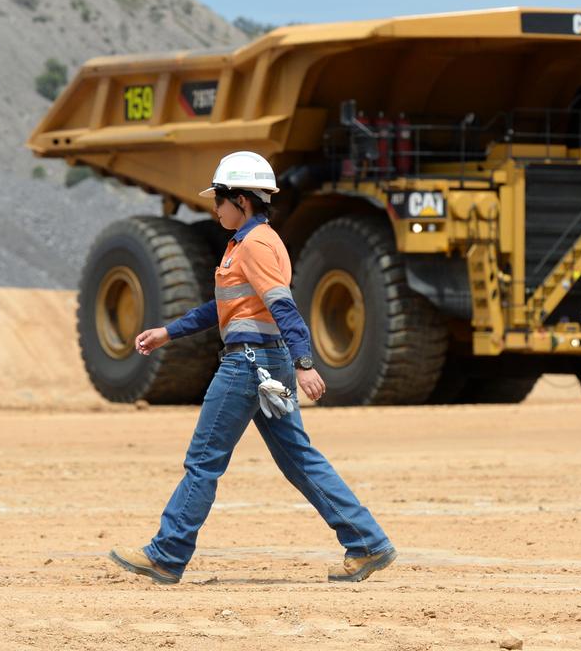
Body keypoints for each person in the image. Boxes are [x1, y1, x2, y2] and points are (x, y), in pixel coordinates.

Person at [109, 151, 397, 584]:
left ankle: (167, 554)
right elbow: (223, 308)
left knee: (204, 460)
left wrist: (305, 364)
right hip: (266, 364)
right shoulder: (247, 244)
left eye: (220, 198)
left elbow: (283, 305)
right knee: (299, 459)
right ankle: (366, 542)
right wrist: (169, 332)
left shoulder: (257, 244)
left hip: (248, 365)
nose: (215, 206)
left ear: (242, 200)